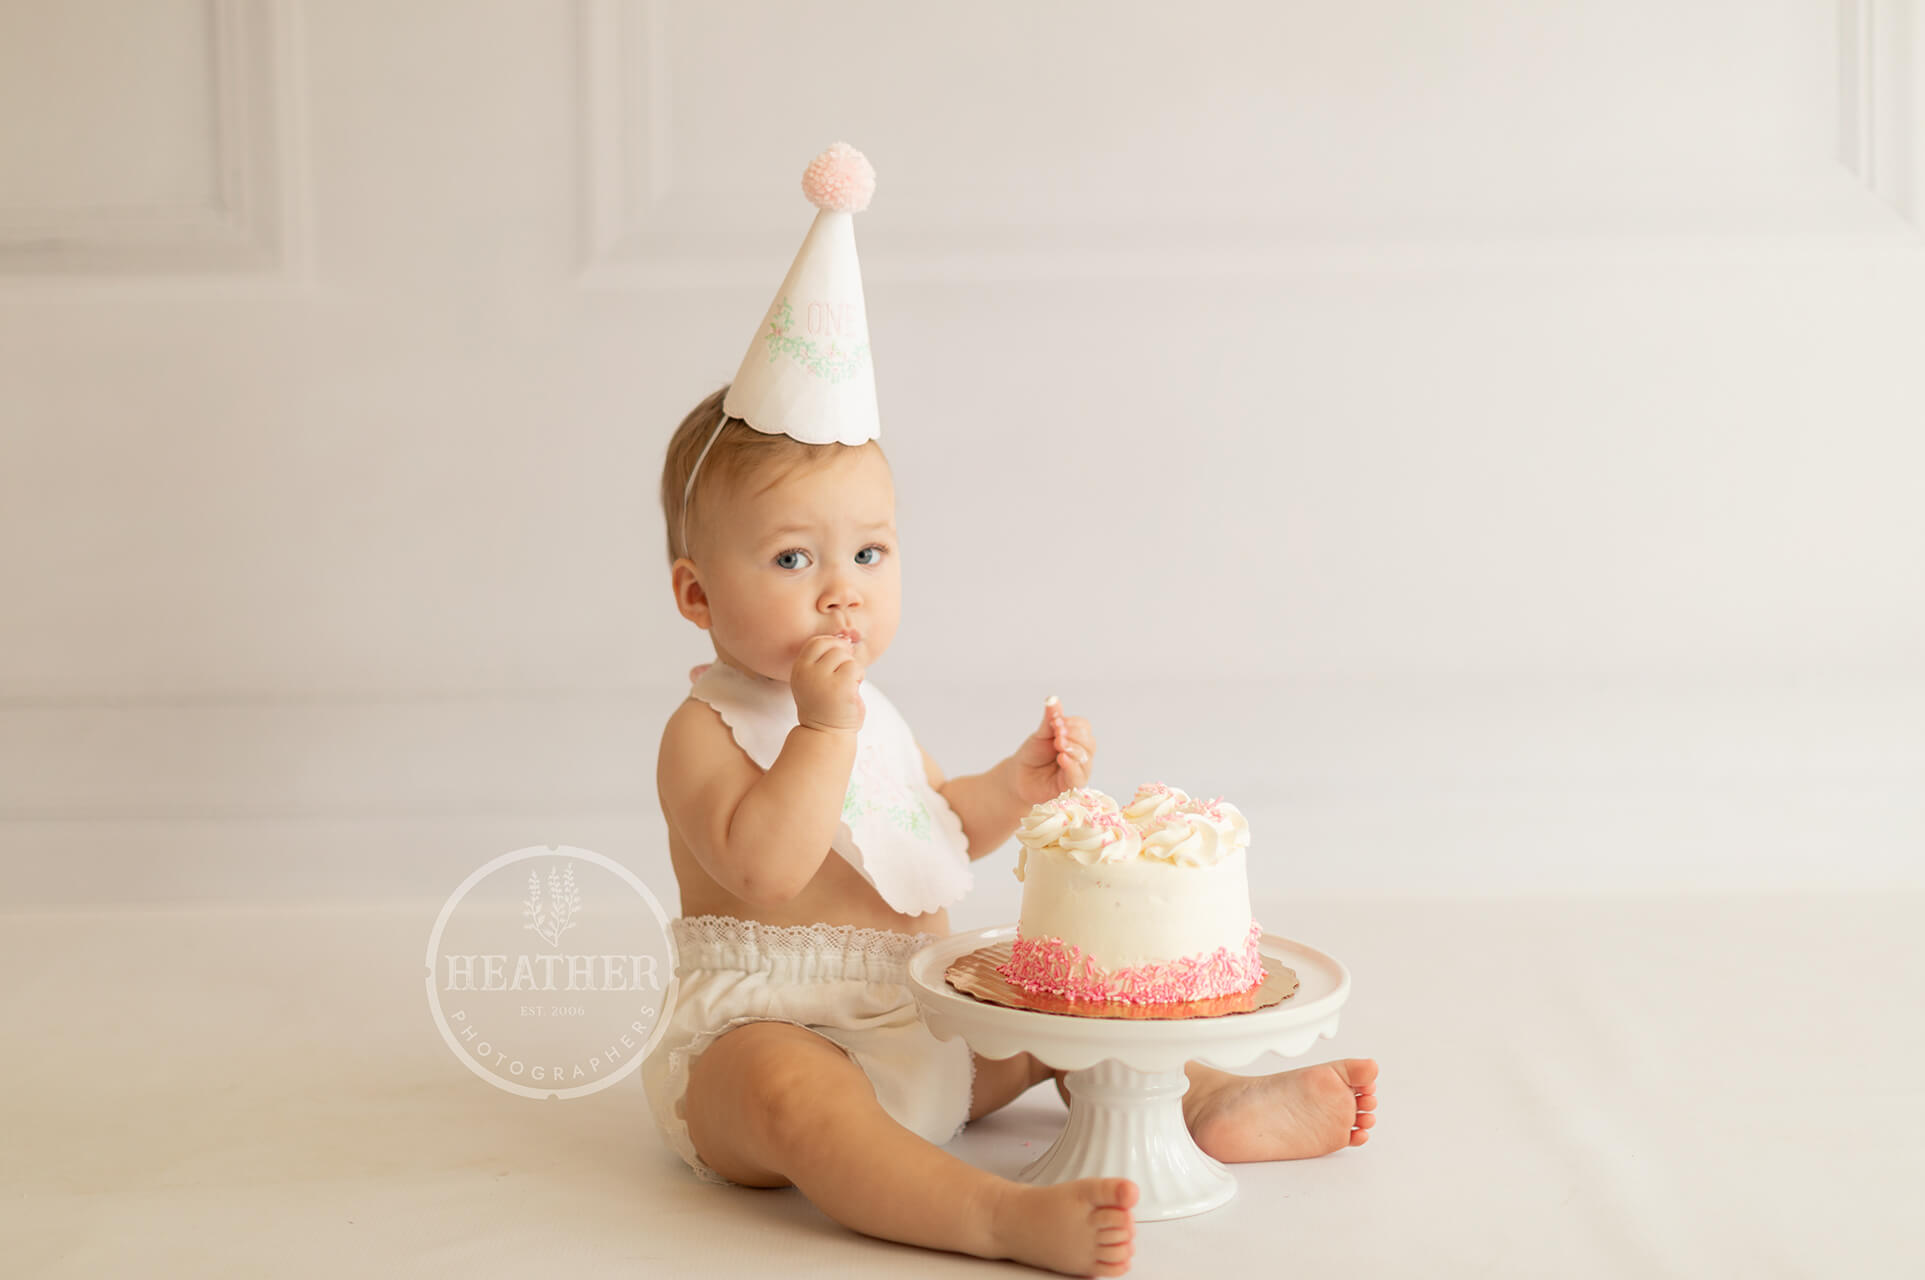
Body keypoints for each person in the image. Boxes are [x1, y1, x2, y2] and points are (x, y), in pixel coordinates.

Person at [639, 145, 1377, 1279]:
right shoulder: (705, 731)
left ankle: (1207, 1101)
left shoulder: (866, 710)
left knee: (1052, 1003)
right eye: (791, 556)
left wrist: (1011, 785)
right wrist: (822, 731)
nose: (842, 586)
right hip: (773, 1035)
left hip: (919, 1026)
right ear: (697, 593)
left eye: (868, 551)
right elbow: (770, 865)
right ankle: (988, 1216)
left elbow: (928, 829)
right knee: (793, 1099)